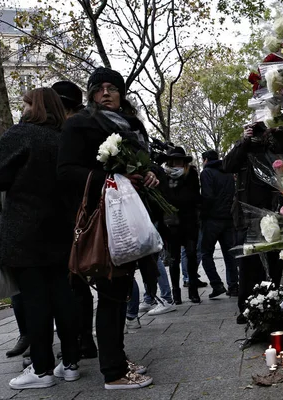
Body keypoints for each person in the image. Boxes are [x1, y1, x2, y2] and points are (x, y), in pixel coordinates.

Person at [58, 67, 156, 390]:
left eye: (112, 88)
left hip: (129, 219)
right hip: (102, 222)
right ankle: (113, 371)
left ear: (121, 93)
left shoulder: (133, 126)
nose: (106, 93)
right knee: (112, 294)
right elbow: (67, 171)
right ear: (90, 94)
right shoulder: (79, 124)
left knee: (121, 291)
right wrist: (113, 179)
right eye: (99, 88)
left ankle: (118, 357)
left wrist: (150, 175)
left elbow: (146, 164)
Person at [0, 88, 80, 390]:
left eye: (26, 103)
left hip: (25, 233)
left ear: (35, 106)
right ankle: (71, 363)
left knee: (35, 301)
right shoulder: (65, 138)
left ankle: (41, 369)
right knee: (64, 297)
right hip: (62, 231)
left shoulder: (22, 134)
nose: (23, 108)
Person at [222, 122, 283, 324]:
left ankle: (273, 300)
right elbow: (227, 165)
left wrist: (274, 136)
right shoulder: (243, 148)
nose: (257, 138)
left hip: (272, 212)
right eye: (254, 133)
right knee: (247, 262)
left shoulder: (273, 149)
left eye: (260, 134)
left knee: (274, 260)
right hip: (246, 214)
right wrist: (243, 142)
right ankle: (247, 307)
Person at [51, 80, 97, 360]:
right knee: (77, 282)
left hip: (69, 216)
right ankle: (84, 340)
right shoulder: (83, 126)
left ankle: (80, 340)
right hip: (80, 213)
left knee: (72, 282)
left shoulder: (65, 131)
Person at [160, 146, 202, 304]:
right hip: (172, 224)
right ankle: (176, 293)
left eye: (180, 160)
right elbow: (164, 197)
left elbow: (194, 196)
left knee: (191, 256)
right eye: (174, 160)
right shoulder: (164, 176)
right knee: (173, 259)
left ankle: (193, 291)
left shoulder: (191, 173)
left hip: (189, 221)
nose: (177, 163)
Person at [199, 149, 238, 298]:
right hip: (228, 219)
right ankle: (233, 286)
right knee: (230, 255)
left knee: (206, 253)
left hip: (212, 219)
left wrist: (203, 214)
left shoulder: (206, 173)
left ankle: (217, 284)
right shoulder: (228, 173)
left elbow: (207, 196)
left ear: (206, 160)